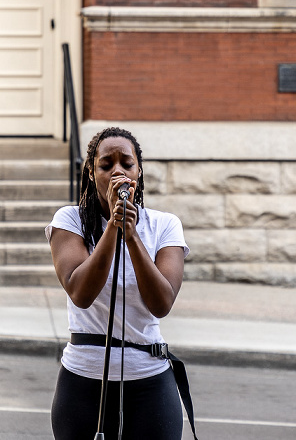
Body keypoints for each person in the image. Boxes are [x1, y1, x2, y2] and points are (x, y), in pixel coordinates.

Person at [45, 126, 190, 440]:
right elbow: (80, 292)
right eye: (106, 164)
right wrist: (113, 225)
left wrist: (131, 233)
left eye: (126, 163)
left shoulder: (165, 225)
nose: (117, 171)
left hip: (149, 383)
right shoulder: (69, 220)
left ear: (139, 171)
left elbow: (161, 302)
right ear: (90, 172)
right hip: (83, 383)